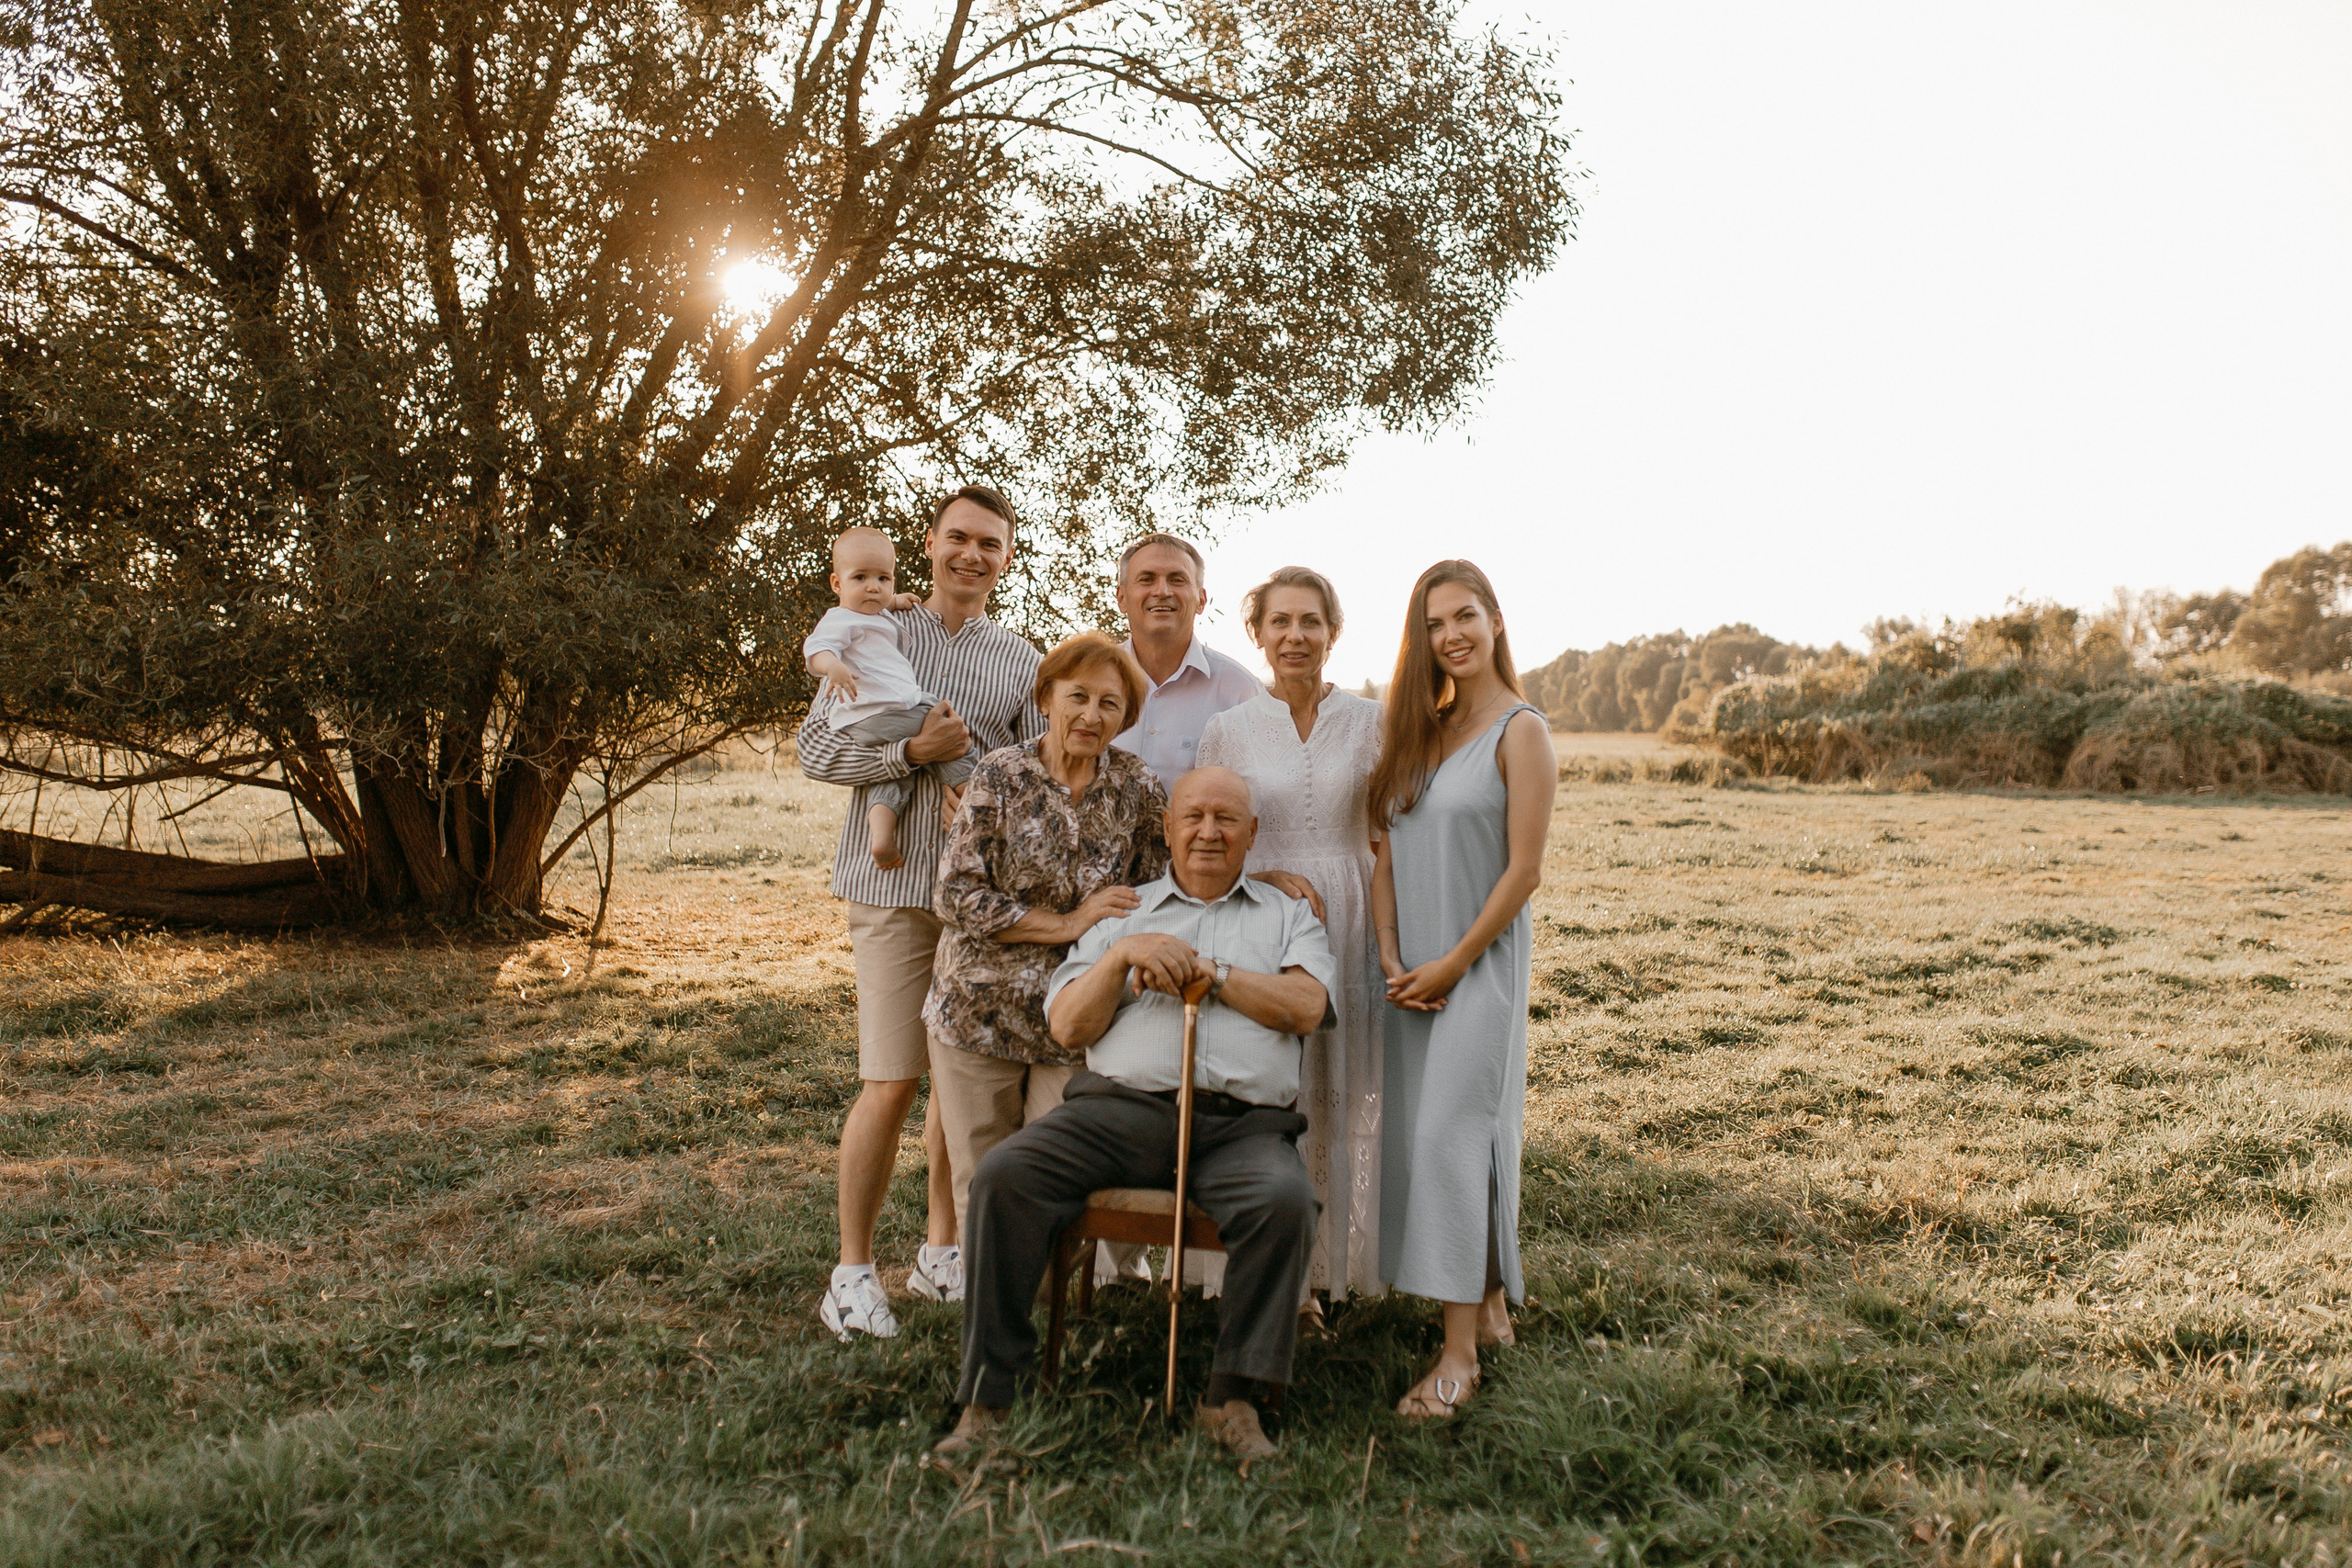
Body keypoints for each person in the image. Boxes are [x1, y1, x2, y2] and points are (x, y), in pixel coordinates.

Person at [936, 767, 1334, 1464]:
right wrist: (1121, 957)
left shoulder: (1286, 914)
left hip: (1244, 1127)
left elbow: (1305, 1008)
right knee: (1006, 1173)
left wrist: (1213, 974)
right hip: (1117, 1113)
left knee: (1286, 1199)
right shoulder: (1124, 910)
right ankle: (988, 1397)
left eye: (1226, 819)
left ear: (1252, 833)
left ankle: (1233, 1399)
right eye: (1193, 817)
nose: (1208, 831)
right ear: (1168, 828)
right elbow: (1066, 1025)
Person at [796, 485, 1043, 1341]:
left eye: (991, 544)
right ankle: (851, 1272)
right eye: (958, 539)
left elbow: (1034, 771)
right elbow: (817, 749)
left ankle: (942, 1251)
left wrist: (980, 787)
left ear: (1007, 558)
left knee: (962, 1079)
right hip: (891, 889)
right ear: (930, 545)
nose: (973, 555)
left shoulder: (1020, 658)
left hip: (977, 898)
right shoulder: (874, 626)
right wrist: (911, 753)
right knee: (892, 1077)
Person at [1368, 558, 1556, 1420]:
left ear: (1495, 620)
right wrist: (1390, 953)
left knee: (1453, 1131)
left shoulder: (1522, 730)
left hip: (1476, 966)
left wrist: (1451, 962)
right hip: (1411, 973)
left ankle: (1457, 1357)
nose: (1452, 634)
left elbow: (1523, 872)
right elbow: (1384, 853)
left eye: (1466, 615)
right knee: (1429, 1133)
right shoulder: (1422, 731)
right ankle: (1485, 1297)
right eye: (1436, 622)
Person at [924, 632, 1169, 1238]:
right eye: (1078, 696)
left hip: (1077, 1020)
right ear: (1045, 698)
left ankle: (1044, 1310)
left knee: (1061, 1172)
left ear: (1126, 717)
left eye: (1110, 703)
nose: (1091, 715)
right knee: (985, 1173)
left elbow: (1157, 897)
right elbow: (955, 893)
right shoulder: (1001, 774)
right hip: (978, 1010)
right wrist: (1068, 923)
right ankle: (995, 1317)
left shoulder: (1138, 788)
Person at [1198, 567, 1385, 1301]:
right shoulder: (1230, 728)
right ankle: (1270, 1274)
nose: (1295, 636)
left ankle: (1335, 1268)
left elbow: (1389, 830)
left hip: (1354, 913)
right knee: (1272, 1088)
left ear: (1333, 633)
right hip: (1262, 919)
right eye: (1280, 622)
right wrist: (1265, 878)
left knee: (1345, 1088)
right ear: (1258, 633)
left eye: (1311, 622)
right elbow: (1208, 841)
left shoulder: (1372, 721)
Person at [801, 526, 967, 870]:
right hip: (882, 709)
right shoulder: (840, 619)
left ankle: (882, 838)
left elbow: (878, 602)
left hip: (874, 722)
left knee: (892, 774)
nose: (873, 587)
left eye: (883, 578)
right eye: (860, 577)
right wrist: (833, 668)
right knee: (946, 725)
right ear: (837, 584)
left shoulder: (875, 611)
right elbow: (817, 647)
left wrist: (896, 601)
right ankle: (968, 787)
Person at [1111, 533, 1261, 793]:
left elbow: (1257, 796)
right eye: (1146, 579)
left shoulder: (1240, 693)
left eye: (1177, 580)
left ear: (1201, 600)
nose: (1162, 591)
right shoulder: (1089, 683)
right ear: (1121, 597)